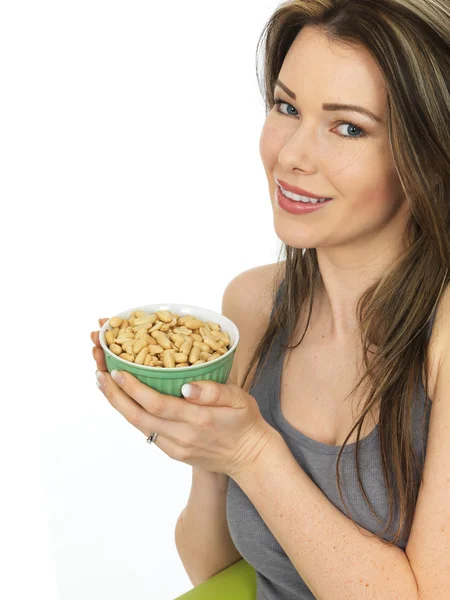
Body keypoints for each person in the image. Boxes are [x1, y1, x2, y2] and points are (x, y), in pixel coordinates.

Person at [91, 1, 450, 598]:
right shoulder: (255, 305)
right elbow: (215, 568)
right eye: (287, 108)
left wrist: (254, 453)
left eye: (347, 127)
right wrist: (204, 437)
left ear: (431, 159)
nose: (291, 156)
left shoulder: (442, 339)